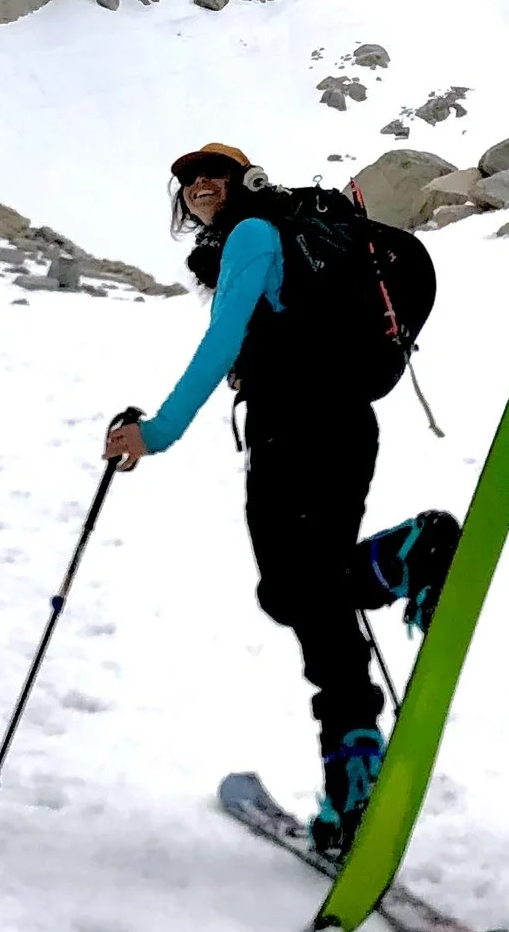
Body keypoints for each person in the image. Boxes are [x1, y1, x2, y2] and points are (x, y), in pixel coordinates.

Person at [105, 143, 459, 859]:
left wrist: (158, 431)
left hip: (295, 434)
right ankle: (352, 771)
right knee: (312, 591)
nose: (199, 182)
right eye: (186, 177)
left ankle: (357, 760)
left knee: (297, 587)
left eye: (214, 171)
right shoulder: (283, 243)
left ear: (243, 182)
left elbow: (220, 340)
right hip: (343, 427)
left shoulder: (253, 233)